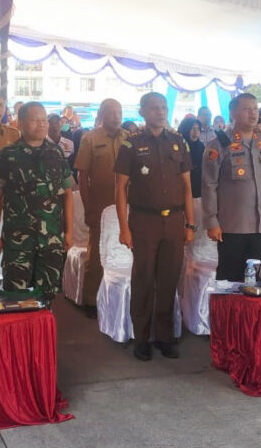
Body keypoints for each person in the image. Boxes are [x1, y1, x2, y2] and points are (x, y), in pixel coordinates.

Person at [114, 92, 195, 361]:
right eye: (154, 108)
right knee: (144, 279)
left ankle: (164, 336)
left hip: (174, 220)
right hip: (144, 221)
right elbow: (120, 188)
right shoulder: (131, 144)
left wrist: (190, 223)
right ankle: (141, 337)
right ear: (142, 111)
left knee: (169, 279)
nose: (160, 112)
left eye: (163, 107)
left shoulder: (178, 142)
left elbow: (187, 186)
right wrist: (124, 228)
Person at [0, 102, 74, 297]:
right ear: (21, 123)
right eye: (35, 120)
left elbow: (67, 194)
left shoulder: (56, 153)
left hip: (51, 238)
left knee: (48, 295)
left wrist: (69, 232)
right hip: (18, 240)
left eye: (44, 120)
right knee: (15, 295)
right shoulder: (7, 155)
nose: (42, 124)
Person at [202, 93, 261, 282]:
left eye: (255, 109)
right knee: (229, 280)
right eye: (247, 109)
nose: (253, 113)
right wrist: (212, 221)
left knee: (252, 279)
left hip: (259, 226)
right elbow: (209, 185)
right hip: (231, 225)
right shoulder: (218, 145)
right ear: (233, 112)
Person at [74, 99, 126, 318]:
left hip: (125, 206)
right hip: (100, 206)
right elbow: (83, 177)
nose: (117, 116)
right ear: (102, 114)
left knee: (123, 252)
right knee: (96, 254)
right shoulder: (90, 138)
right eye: (112, 112)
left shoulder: (128, 138)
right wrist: (88, 208)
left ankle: (117, 298)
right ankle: (91, 300)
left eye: (119, 112)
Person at [177, 116, 205, 199]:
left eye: (198, 129)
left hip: (198, 189)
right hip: (181, 188)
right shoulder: (178, 146)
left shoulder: (201, 146)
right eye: (192, 129)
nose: (196, 132)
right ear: (185, 129)